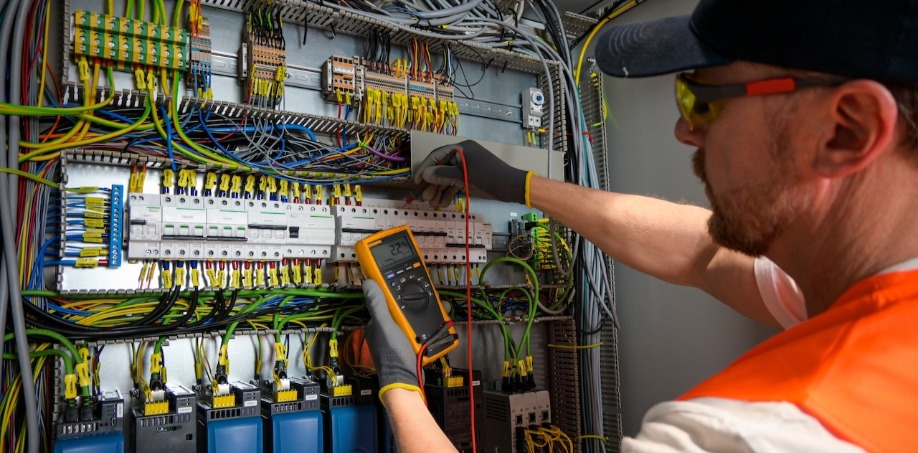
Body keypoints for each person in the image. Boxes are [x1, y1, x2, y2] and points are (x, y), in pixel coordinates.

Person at [363, 0, 918, 451]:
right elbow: (703, 252)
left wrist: (400, 385)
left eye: (702, 101)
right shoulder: (875, 298)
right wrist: (519, 185)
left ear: (847, 129)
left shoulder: (754, 435)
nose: (684, 130)